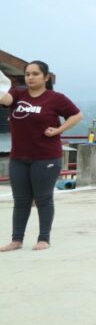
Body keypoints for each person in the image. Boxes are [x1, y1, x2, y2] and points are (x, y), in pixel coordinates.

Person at [0, 62, 82, 252]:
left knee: (43, 198)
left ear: (46, 77)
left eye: (35, 74)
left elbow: (77, 115)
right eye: (27, 74)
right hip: (19, 157)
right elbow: (4, 99)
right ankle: (16, 240)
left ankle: (43, 238)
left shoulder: (55, 98)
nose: (30, 77)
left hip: (46, 157)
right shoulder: (18, 94)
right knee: (20, 200)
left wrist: (58, 130)